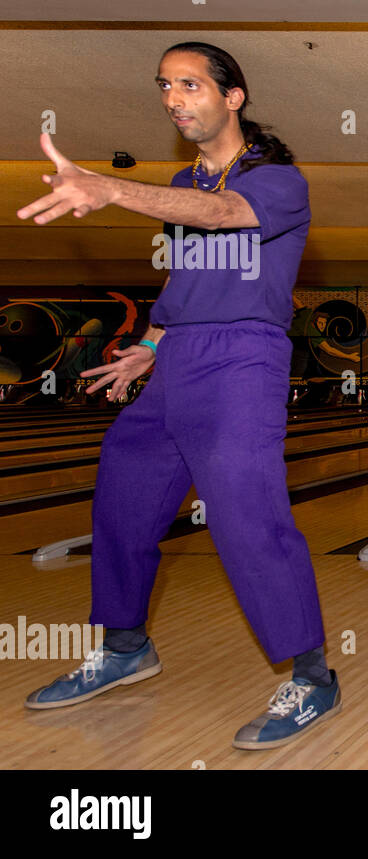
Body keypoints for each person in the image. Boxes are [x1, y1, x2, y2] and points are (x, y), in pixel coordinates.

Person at [18, 42, 339, 748]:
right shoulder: (181, 180)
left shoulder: (279, 180)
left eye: (190, 84)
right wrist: (151, 347)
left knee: (244, 513)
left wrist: (108, 188)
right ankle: (127, 644)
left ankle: (313, 676)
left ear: (234, 96)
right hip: (179, 359)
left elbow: (223, 216)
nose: (172, 97)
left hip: (244, 357)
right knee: (122, 494)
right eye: (165, 85)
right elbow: (184, 277)